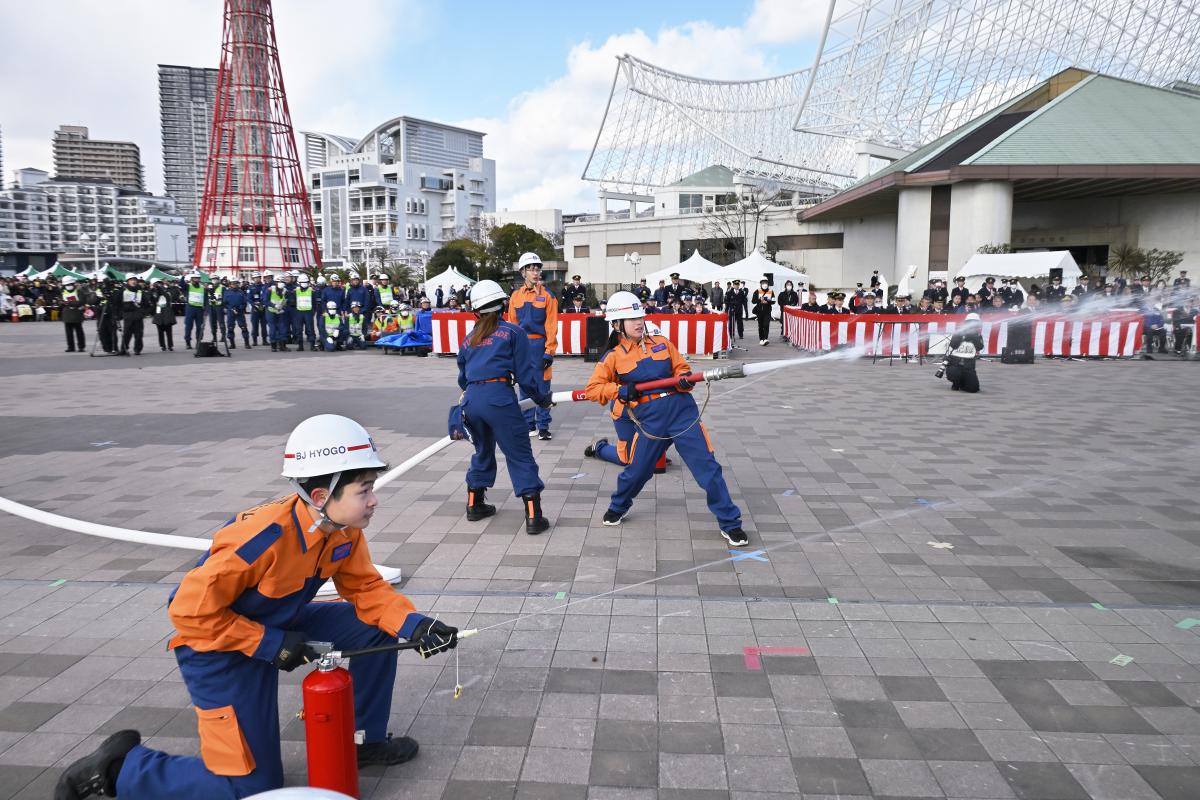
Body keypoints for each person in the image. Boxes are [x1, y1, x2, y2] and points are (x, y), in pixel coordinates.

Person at [57, 415, 459, 800]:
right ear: (321, 496)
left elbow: (367, 589)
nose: (374, 500)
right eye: (364, 490)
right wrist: (269, 644)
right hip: (216, 649)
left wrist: (415, 625)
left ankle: (361, 741)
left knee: (376, 627)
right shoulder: (263, 538)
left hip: (279, 622)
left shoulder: (342, 529)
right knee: (253, 790)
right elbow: (188, 611)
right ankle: (120, 769)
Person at [583, 291, 747, 546]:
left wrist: (684, 379)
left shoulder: (661, 342)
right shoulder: (612, 357)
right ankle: (618, 507)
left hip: (683, 414)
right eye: (631, 318)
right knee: (637, 472)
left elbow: (681, 367)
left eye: (640, 316)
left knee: (708, 469)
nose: (639, 322)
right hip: (650, 422)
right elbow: (593, 390)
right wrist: (620, 390)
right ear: (616, 324)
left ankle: (730, 523)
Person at [457, 280, 552, 535]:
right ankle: (534, 516)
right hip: (498, 397)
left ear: (475, 311)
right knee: (519, 453)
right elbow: (526, 375)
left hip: (472, 400)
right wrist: (542, 399)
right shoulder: (513, 332)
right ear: (503, 305)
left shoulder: (468, 340)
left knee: (482, 449)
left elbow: (462, 379)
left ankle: (474, 504)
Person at [505, 252, 558, 440]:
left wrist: (549, 352)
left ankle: (543, 426)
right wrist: (510, 351)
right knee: (525, 387)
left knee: (543, 387)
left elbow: (551, 326)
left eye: (537, 269)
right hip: (521, 347)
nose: (535, 273)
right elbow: (510, 325)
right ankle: (529, 425)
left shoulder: (548, 296)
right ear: (522, 272)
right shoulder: (515, 297)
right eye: (531, 269)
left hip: (540, 346)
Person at [942, 312, 984, 393]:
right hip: (955, 363)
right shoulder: (959, 332)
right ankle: (956, 382)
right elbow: (953, 345)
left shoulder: (978, 335)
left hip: (969, 365)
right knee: (954, 375)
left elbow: (980, 347)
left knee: (973, 389)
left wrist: (974, 338)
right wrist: (961, 337)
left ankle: (963, 382)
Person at [119, 275, 148, 356]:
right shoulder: (123, 291)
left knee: (139, 334)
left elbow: (146, 303)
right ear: (128, 281)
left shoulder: (140, 291)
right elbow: (118, 303)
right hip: (128, 315)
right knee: (127, 334)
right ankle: (124, 349)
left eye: (134, 279)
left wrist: (143, 312)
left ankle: (137, 349)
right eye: (131, 280)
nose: (133, 281)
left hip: (138, 315)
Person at [60, 278, 90, 353]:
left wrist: (69, 303)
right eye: (67, 285)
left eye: (70, 284)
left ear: (73, 284)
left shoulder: (79, 291)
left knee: (79, 331)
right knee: (69, 333)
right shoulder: (63, 292)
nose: (68, 286)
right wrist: (61, 303)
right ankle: (70, 347)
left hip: (77, 313)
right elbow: (60, 301)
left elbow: (82, 301)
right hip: (67, 314)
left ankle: (81, 347)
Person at [266, 276, 293, 352]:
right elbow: (266, 301)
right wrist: (274, 305)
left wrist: (283, 309)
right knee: (273, 329)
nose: (280, 283)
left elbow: (289, 301)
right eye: (279, 282)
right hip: (271, 312)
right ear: (275, 282)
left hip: (281, 312)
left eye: (282, 282)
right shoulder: (270, 290)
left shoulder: (285, 291)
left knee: (283, 329)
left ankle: (283, 346)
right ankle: (273, 346)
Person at [224, 278, 252, 349]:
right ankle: (232, 344)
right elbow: (224, 303)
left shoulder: (241, 292)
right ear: (230, 284)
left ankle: (247, 343)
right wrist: (231, 308)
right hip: (231, 312)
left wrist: (240, 308)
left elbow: (244, 302)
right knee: (230, 328)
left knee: (243, 327)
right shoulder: (227, 292)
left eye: (236, 283)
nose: (234, 285)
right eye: (233, 283)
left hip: (240, 312)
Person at [291, 275, 316, 351]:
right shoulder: (296, 291)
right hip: (299, 313)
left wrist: (313, 312)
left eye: (306, 282)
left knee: (310, 330)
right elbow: (293, 302)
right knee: (299, 330)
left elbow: (314, 303)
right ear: (299, 283)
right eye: (303, 282)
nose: (304, 284)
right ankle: (300, 345)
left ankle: (312, 345)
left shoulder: (311, 291)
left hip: (308, 312)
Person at [182, 273, 207, 349]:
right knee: (188, 326)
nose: (197, 280)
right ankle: (188, 342)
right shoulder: (188, 286)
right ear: (192, 279)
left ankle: (198, 341)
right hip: (190, 308)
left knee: (200, 327)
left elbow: (205, 299)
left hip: (199, 309)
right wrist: (183, 276)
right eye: (195, 278)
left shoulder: (203, 287)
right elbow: (181, 284)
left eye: (198, 278)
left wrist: (205, 309)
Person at [152, 280, 177, 352]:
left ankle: (170, 345)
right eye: (157, 284)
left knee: (169, 331)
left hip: (167, 312)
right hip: (159, 313)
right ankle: (162, 345)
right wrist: (154, 289)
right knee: (160, 331)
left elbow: (168, 297)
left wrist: (160, 289)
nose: (159, 286)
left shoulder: (168, 291)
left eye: (160, 284)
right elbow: (153, 298)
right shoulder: (155, 292)